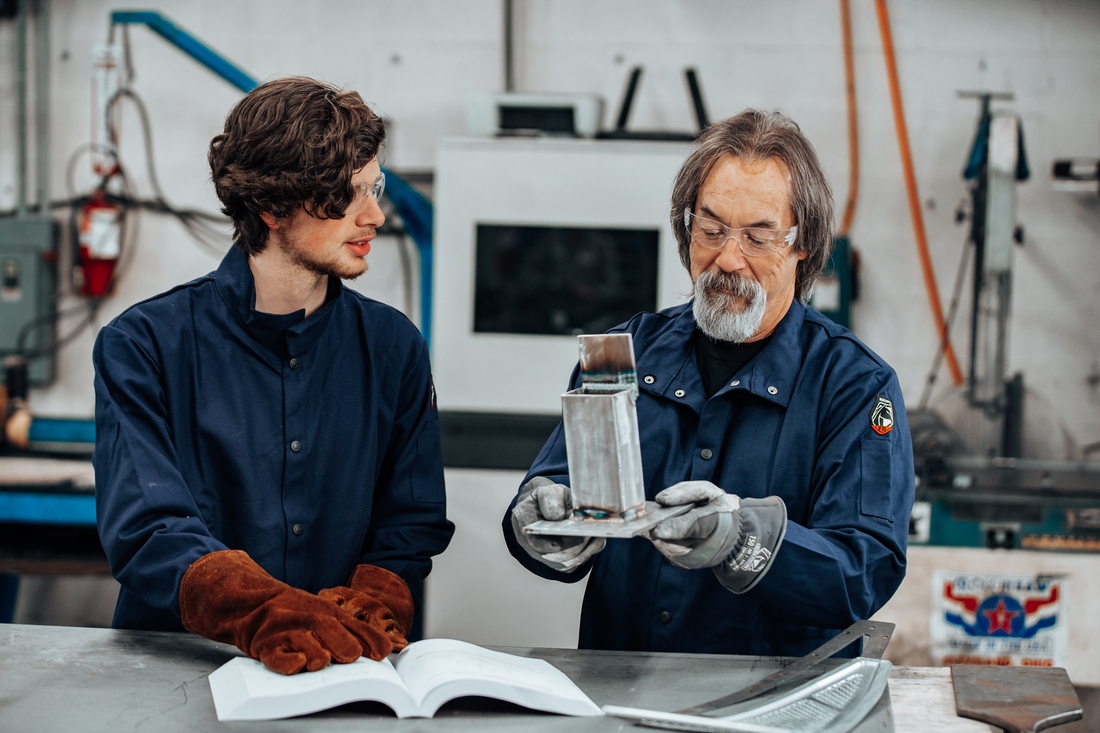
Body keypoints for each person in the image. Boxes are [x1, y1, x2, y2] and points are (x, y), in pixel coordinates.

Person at [504, 109, 914, 658]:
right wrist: (536, 522)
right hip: (623, 699)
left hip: (772, 710)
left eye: (757, 238)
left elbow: (866, 570)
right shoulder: (622, 353)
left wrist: (746, 540)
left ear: (803, 245)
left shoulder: (856, 386)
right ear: (685, 226)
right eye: (712, 229)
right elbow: (551, 491)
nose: (727, 259)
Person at [94, 77, 453, 675]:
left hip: (347, 672)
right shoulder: (144, 345)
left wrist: (376, 597)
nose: (376, 215)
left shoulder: (394, 348)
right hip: (179, 674)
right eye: (350, 195)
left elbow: (410, 519)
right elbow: (149, 528)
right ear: (272, 207)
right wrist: (262, 612)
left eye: (376, 188)